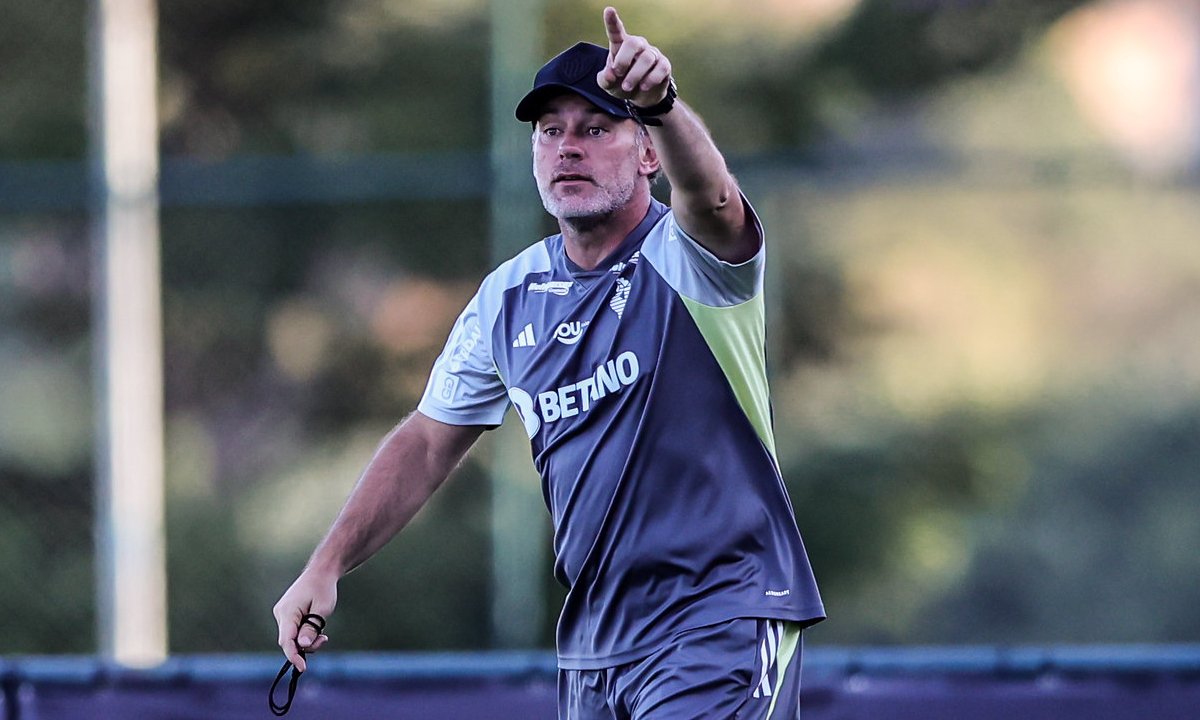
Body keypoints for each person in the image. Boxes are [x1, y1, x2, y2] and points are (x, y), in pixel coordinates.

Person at [273, 7, 824, 718]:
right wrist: (325, 565)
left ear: (648, 153)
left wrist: (661, 104)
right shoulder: (509, 296)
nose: (569, 149)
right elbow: (426, 442)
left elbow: (715, 199)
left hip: (719, 616)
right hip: (595, 641)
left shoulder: (690, 261)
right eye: (550, 132)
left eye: (596, 129)